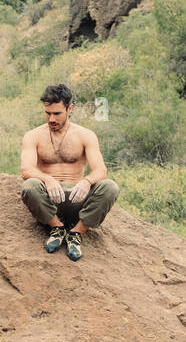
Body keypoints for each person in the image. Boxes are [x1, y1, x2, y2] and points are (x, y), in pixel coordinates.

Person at [20, 83, 119, 262]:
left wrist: (87, 181)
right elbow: (26, 169)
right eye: (47, 113)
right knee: (30, 186)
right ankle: (56, 228)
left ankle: (76, 233)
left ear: (69, 109)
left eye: (57, 113)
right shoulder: (33, 136)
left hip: (77, 199)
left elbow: (101, 170)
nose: (51, 119)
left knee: (110, 187)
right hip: (49, 201)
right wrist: (47, 179)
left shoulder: (85, 135)